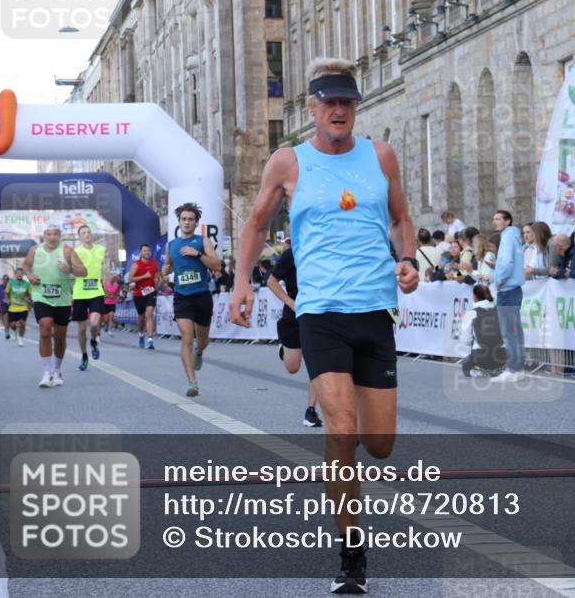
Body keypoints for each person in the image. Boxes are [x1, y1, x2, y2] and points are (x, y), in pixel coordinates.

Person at [228, 56, 418, 595]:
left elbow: (402, 218)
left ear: (356, 107)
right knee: (341, 429)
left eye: (347, 102)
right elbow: (258, 223)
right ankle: (352, 551)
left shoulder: (380, 155)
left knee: (379, 444)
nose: (338, 110)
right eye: (328, 102)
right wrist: (243, 280)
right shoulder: (288, 162)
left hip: (375, 311)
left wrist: (407, 260)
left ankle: (350, 443)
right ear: (312, 107)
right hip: (320, 314)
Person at [162, 202, 221, 397]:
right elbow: (166, 268)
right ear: (179, 222)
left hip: (202, 296)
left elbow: (217, 265)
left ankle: (200, 351)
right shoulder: (171, 245)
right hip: (182, 297)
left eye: (190, 219)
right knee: (187, 337)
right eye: (184, 219)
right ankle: (192, 382)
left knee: (202, 339)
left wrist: (198, 254)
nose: (187, 222)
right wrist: (165, 271)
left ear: (196, 223)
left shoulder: (202, 241)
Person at [22, 224, 87, 388]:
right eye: (49, 234)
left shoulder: (67, 251)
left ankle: (57, 370)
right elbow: (26, 265)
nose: (52, 237)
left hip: (62, 300)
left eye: (55, 234)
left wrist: (70, 269)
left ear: (60, 235)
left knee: (59, 337)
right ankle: (46, 373)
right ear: (44, 235)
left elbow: (83, 271)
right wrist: (29, 275)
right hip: (41, 296)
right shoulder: (35, 250)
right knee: (45, 329)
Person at [267, 247, 324, 427]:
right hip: (294, 313)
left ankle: (311, 411)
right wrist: (291, 303)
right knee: (292, 367)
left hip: (319, 314)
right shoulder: (293, 252)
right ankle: (284, 347)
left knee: (318, 364)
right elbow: (271, 281)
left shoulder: (328, 248)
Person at [491, 210, 526, 383]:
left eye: (498, 219)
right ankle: (518, 368)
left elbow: (506, 261)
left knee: (509, 332)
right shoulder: (515, 237)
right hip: (515, 288)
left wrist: (500, 279)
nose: (494, 222)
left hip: (507, 288)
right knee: (515, 331)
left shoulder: (507, 237)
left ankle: (512, 368)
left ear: (508, 221)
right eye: (494, 219)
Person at [72, 225, 110, 371]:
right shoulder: (76, 252)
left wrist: (107, 281)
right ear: (80, 237)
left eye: (89, 232)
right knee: (81, 329)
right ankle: (84, 355)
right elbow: (72, 272)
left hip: (96, 292)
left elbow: (105, 269)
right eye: (84, 233)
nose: (87, 234)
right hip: (80, 293)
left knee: (94, 323)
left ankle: (94, 341)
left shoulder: (100, 250)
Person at [454, 284, 506, 377]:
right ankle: (498, 369)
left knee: (465, 366)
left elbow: (465, 340)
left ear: (475, 296)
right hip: (501, 356)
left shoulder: (471, 313)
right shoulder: (500, 311)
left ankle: (482, 370)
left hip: (481, 355)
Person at [129, 244, 162, 349]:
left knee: (150, 314)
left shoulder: (154, 263)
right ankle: (141, 335)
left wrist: (159, 279)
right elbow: (130, 279)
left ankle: (150, 339)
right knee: (141, 318)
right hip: (139, 294)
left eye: (148, 251)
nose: (147, 252)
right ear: (141, 253)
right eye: (144, 251)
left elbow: (157, 274)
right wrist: (144, 276)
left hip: (151, 291)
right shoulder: (136, 265)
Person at [6, 268, 32, 346]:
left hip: (23, 307)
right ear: (15, 275)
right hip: (13, 308)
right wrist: (8, 299)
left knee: (23, 324)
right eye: (18, 273)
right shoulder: (11, 283)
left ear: (23, 275)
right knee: (12, 325)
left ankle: (20, 339)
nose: (19, 275)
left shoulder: (27, 284)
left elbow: (31, 293)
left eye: (21, 273)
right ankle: (15, 330)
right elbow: (7, 293)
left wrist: (28, 298)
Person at [0, 274, 11, 339]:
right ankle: (6, 329)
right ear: (2, 280)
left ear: (9, 280)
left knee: (9, 319)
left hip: (11, 304)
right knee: (6, 315)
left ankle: (7, 328)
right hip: (3, 304)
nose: (6, 280)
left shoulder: (11, 287)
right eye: (4, 279)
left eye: (7, 279)